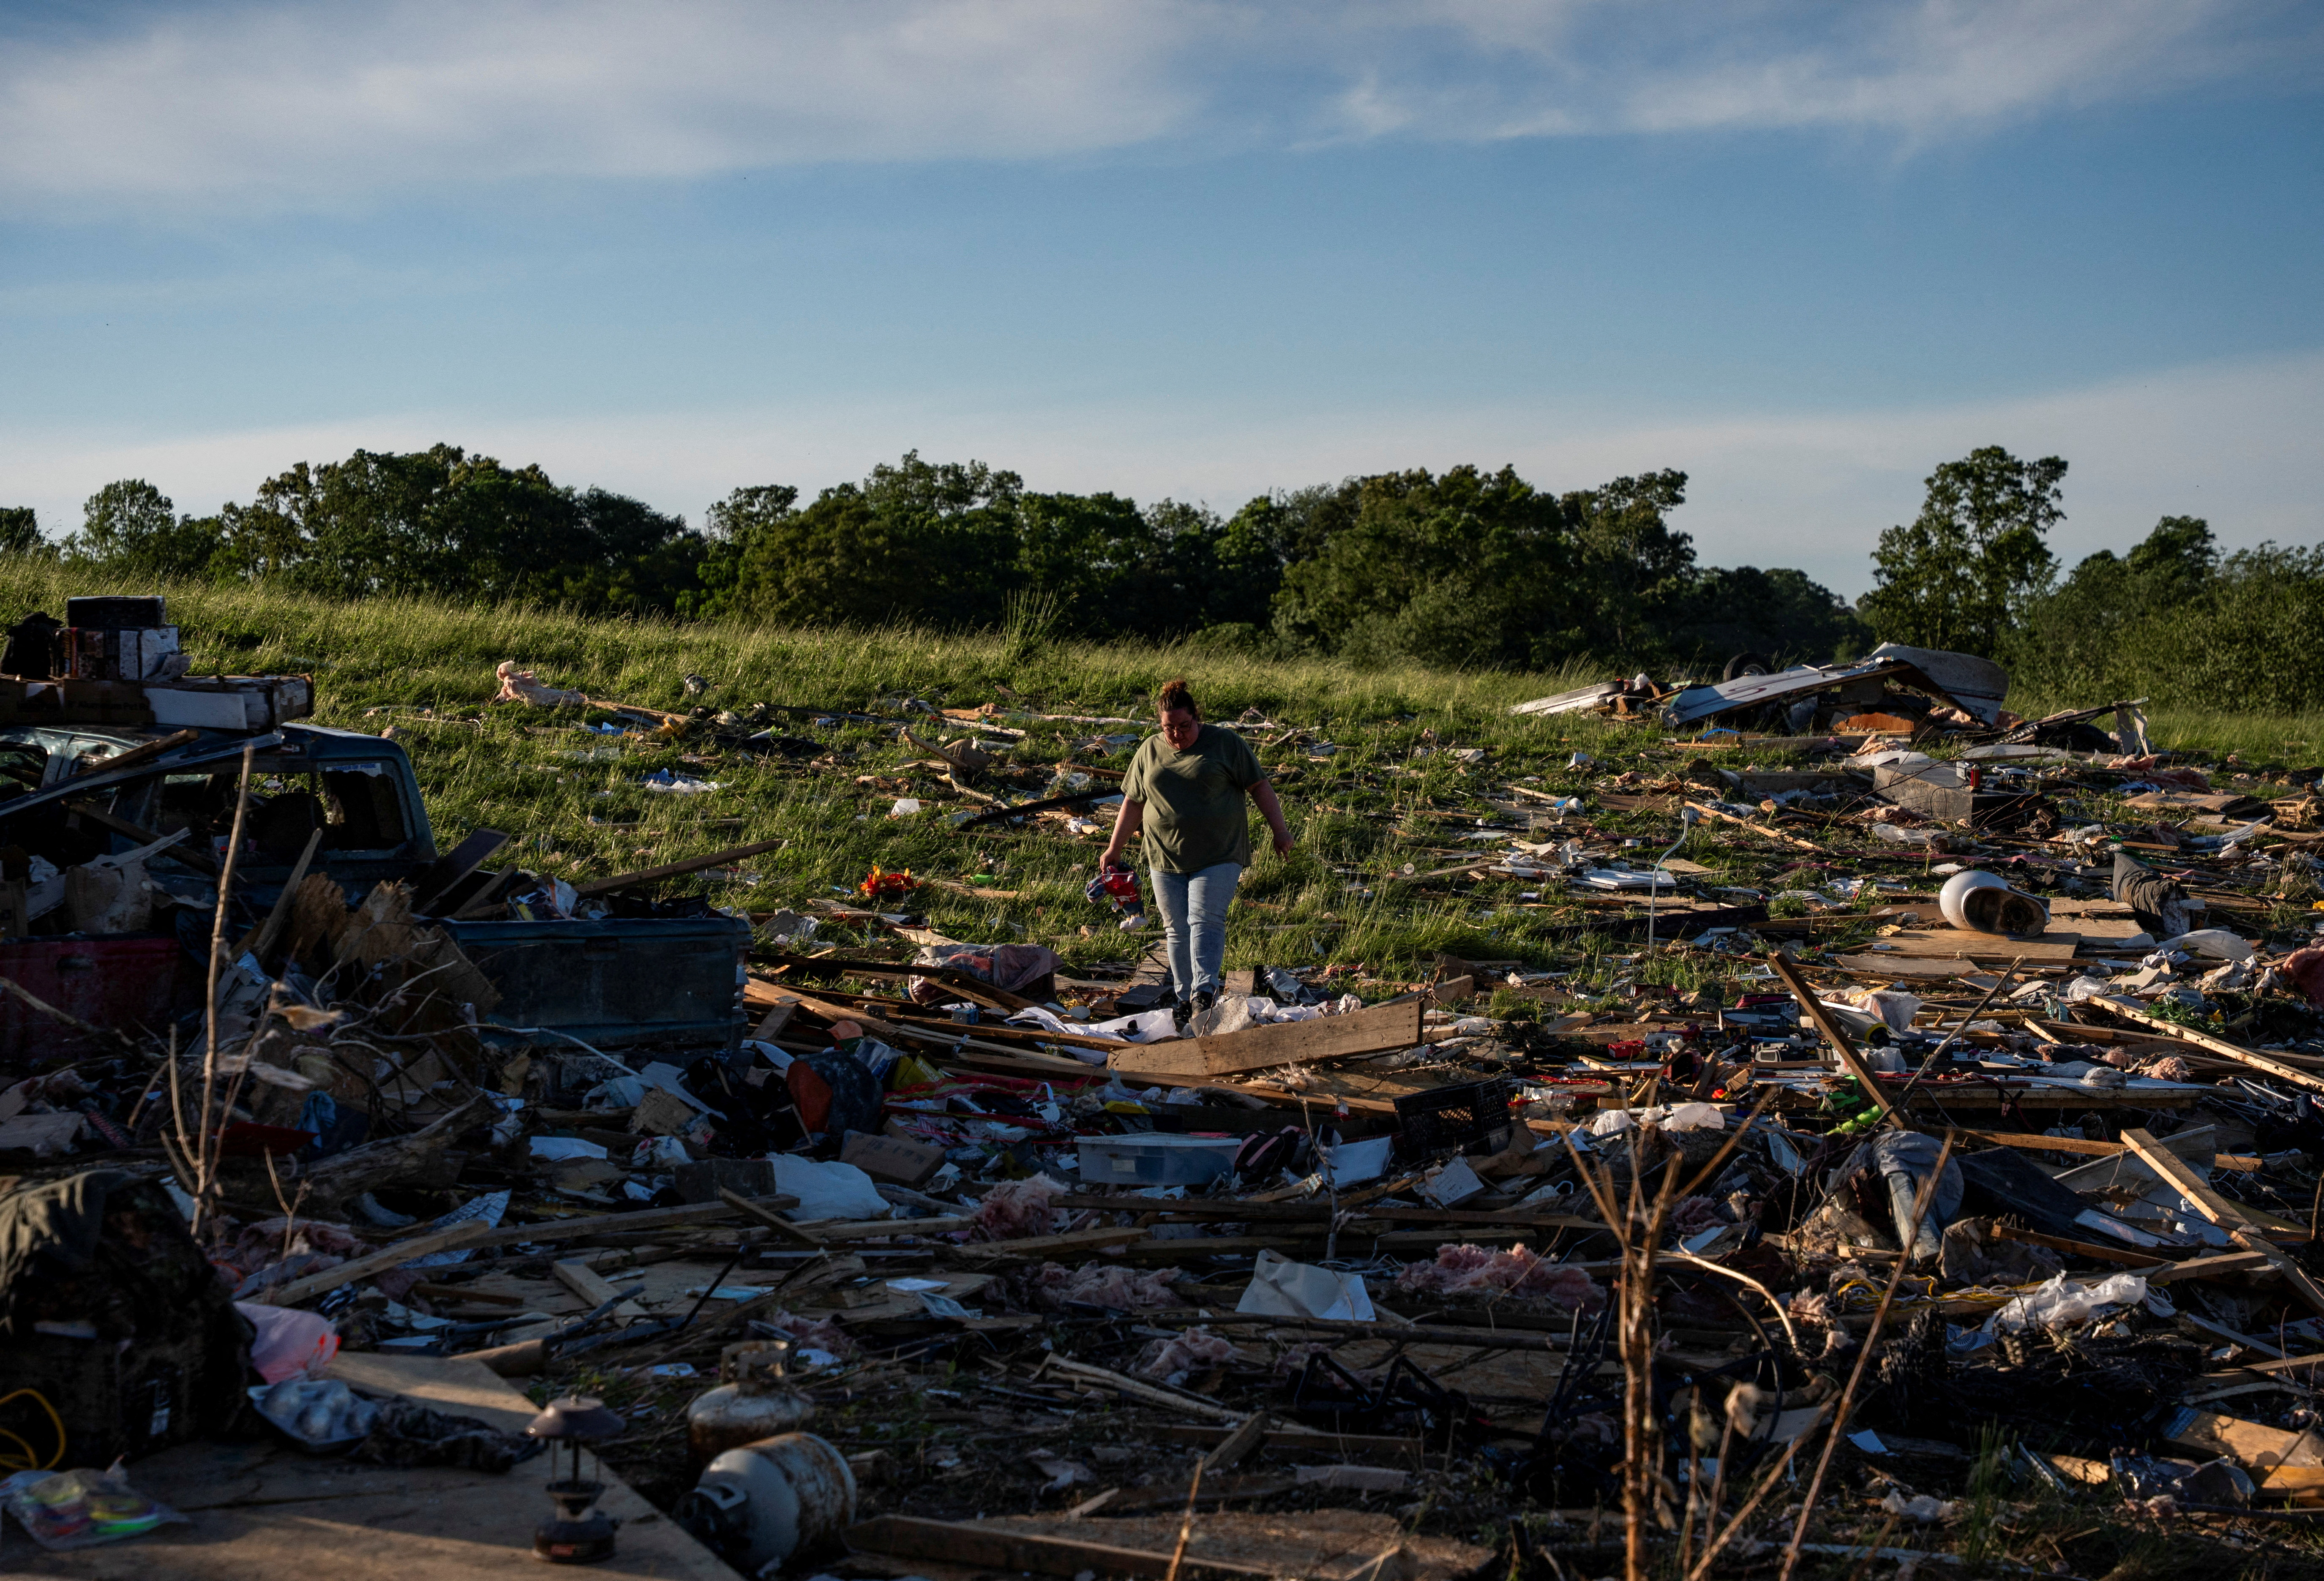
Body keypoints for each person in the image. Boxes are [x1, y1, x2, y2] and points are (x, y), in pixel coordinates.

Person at [1098, 678, 1293, 1014]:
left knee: (1205, 919)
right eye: (1168, 728)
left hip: (1218, 853)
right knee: (1176, 928)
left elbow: (1259, 786)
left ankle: (1204, 992)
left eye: (1184, 726)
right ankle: (1183, 996)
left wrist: (1281, 831)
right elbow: (1133, 801)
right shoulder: (1149, 750)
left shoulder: (1225, 743)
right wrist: (1114, 848)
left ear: (1197, 718)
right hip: (1164, 854)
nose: (1176, 734)